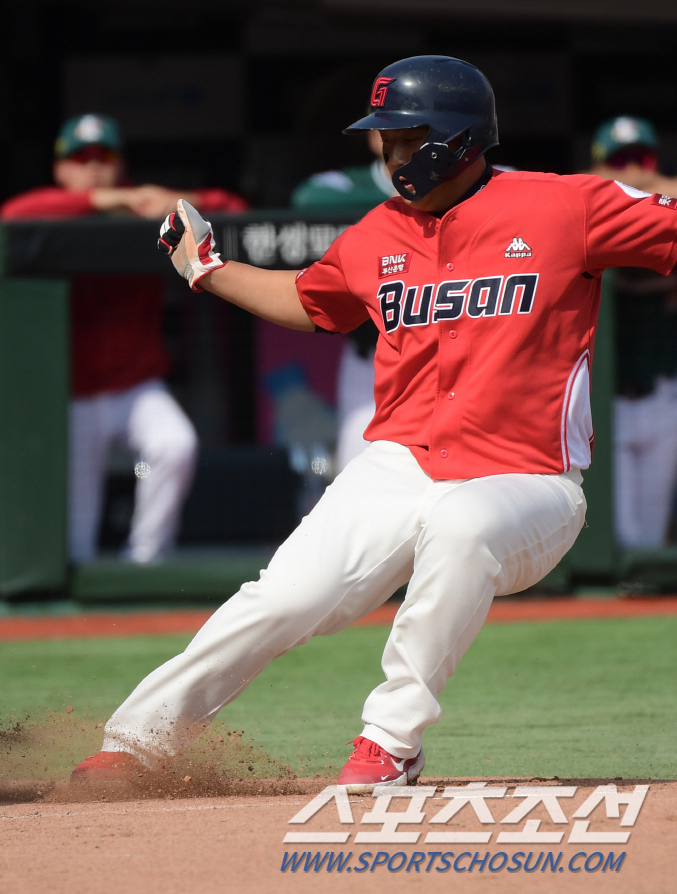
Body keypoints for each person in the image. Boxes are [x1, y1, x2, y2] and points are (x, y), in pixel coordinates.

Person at [72, 55, 677, 792]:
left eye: (403, 137)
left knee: (460, 523)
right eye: (384, 138)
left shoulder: (563, 206)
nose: (390, 154)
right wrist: (207, 270)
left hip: (529, 482)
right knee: (285, 594)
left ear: (456, 136)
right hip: (402, 462)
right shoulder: (379, 231)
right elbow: (310, 299)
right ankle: (139, 738)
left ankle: (390, 742)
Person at [0, 114, 247, 564]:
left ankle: (145, 560)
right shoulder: (56, 209)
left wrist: (174, 201)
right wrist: (103, 200)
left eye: (104, 157)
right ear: (60, 169)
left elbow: (236, 210)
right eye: (80, 158)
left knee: (174, 444)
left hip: (136, 387)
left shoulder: (146, 210)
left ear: (121, 164)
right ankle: (75, 611)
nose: (93, 167)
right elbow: (12, 216)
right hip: (71, 397)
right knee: (75, 542)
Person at [586, 116, 677, 548]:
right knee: (618, 533)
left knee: (650, 535)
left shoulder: (665, 211)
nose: (631, 171)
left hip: (662, 397)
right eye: (618, 161)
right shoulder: (582, 208)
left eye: (639, 159)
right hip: (605, 404)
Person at [291, 133, 393, 473]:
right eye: (382, 127)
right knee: (355, 468)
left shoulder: (465, 180)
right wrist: (401, 204)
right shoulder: (350, 185)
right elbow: (306, 198)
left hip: (445, 356)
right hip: (370, 360)